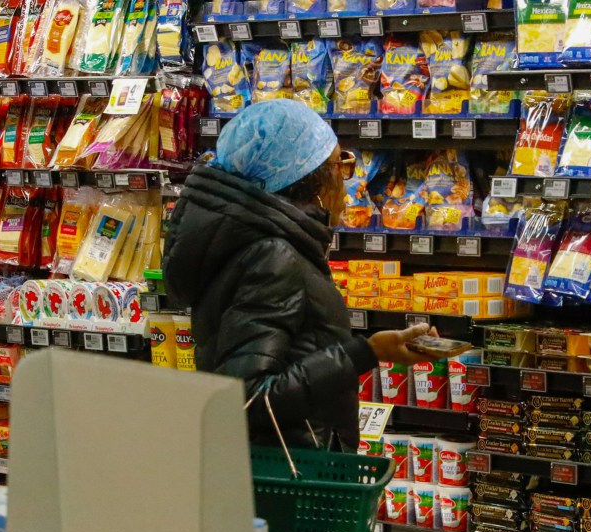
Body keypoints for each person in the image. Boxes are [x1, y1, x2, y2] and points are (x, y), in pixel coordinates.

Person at [163, 100, 435, 450]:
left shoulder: (260, 244)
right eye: (341, 165)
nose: (346, 183)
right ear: (311, 180)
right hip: (291, 480)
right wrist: (363, 353)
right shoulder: (273, 256)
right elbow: (244, 398)